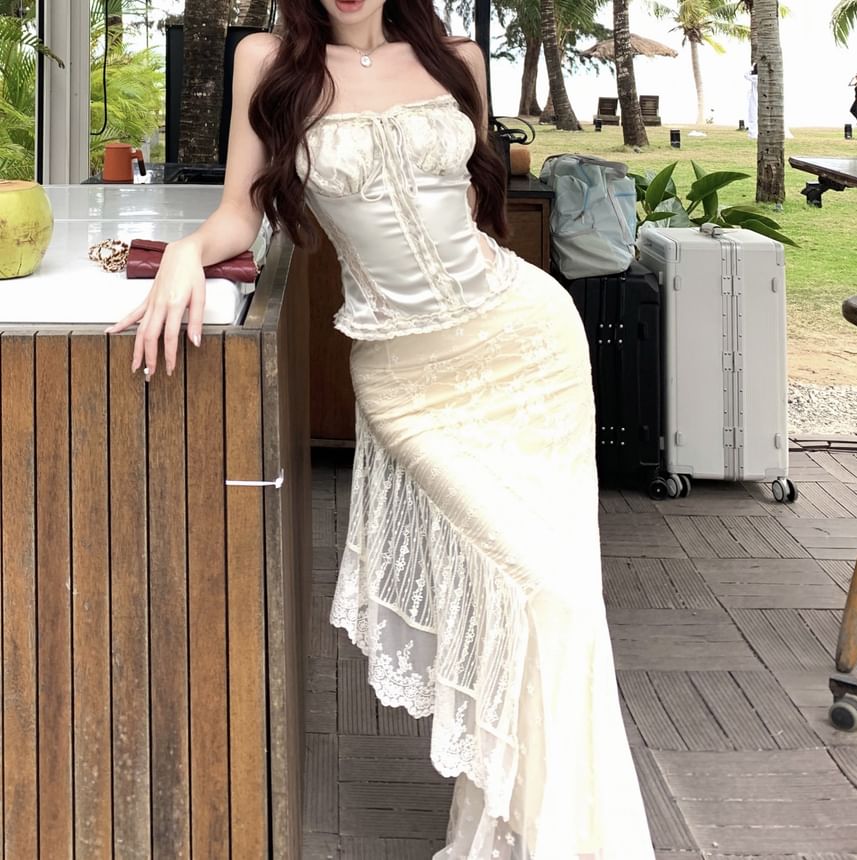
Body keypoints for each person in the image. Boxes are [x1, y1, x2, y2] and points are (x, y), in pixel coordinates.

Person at [107, 1, 656, 857]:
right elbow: (239, 216)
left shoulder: (458, 59)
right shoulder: (268, 62)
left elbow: (474, 211)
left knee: (562, 601)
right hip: (409, 379)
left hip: (526, 345)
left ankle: (541, 834)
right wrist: (184, 252)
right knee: (532, 591)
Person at [745, 62, 758, 139]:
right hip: (759, 99)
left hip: (754, 99)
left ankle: (752, 134)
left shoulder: (756, 77)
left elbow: (745, 75)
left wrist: (751, 67)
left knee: (752, 116)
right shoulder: (760, 77)